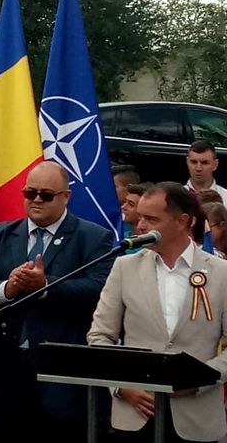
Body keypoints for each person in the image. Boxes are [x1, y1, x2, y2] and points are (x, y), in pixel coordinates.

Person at [0, 160, 115, 443]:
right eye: (30, 193)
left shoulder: (93, 237)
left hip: (61, 372)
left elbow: (100, 289)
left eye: (46, 195)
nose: (37, 200)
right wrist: (7, 288)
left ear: (66, 196)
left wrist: (46, 286)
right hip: (4, 371)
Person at [88, 182, 227, 443]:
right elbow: (100, 336)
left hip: (196, 417)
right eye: (140, 217)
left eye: (151, 219)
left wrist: (198, 380)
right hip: (136, 415)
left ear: (182, 221)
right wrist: (120, 386)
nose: (140, 226)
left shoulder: (221, 273)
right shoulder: (125, 267)